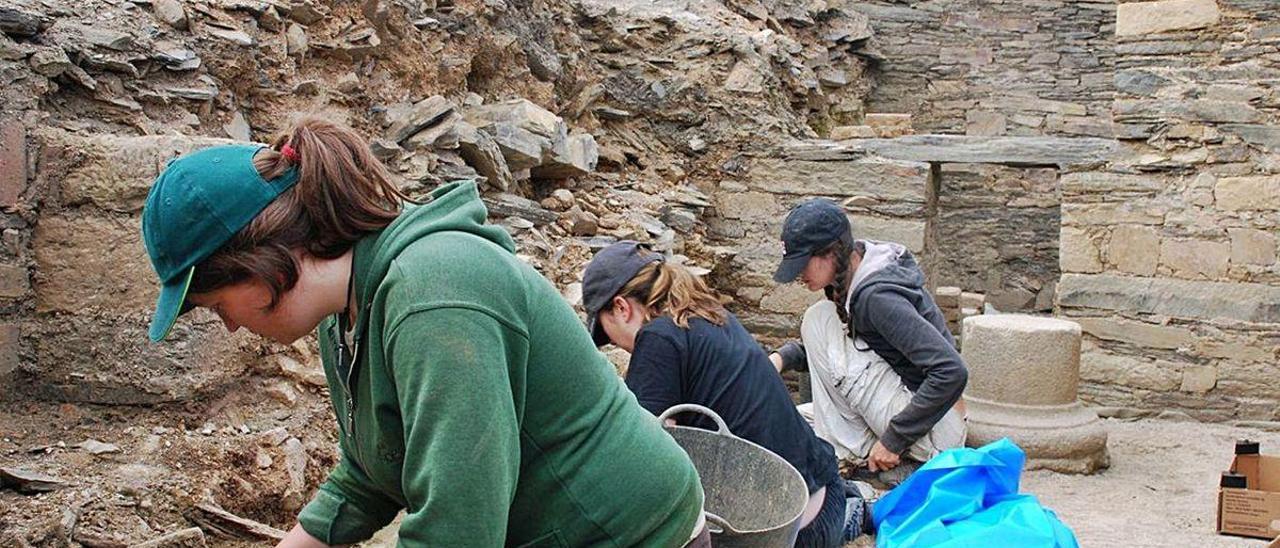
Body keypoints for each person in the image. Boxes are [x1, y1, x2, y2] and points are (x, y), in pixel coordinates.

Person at [141, 118, 709, 547]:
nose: (231, 324)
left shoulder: (435, 293)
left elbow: (459, 527)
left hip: (632, 534)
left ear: (261, 258)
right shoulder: (348, 313)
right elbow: (371, 471)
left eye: (219, 305)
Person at [582, 241, 869, 546]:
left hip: (788, 536)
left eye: (606, 333)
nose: (616, 345)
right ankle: (851, 515)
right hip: (826, 498)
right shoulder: (708, 313)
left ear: (621, 307)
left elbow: (648, 460)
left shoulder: (658, 339)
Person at [769, 199, 967, 485]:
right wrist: (781, 358)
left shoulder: (876, 299)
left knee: (818, 319)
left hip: (935, 434)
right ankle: (855, 449)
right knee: (794, 419)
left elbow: (952, 371)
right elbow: (847, 347)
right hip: (923, 414)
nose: (799, 275)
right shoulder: (858, 268)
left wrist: (893, 440)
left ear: (830, 253)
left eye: (802, 264)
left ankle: (852, 456)